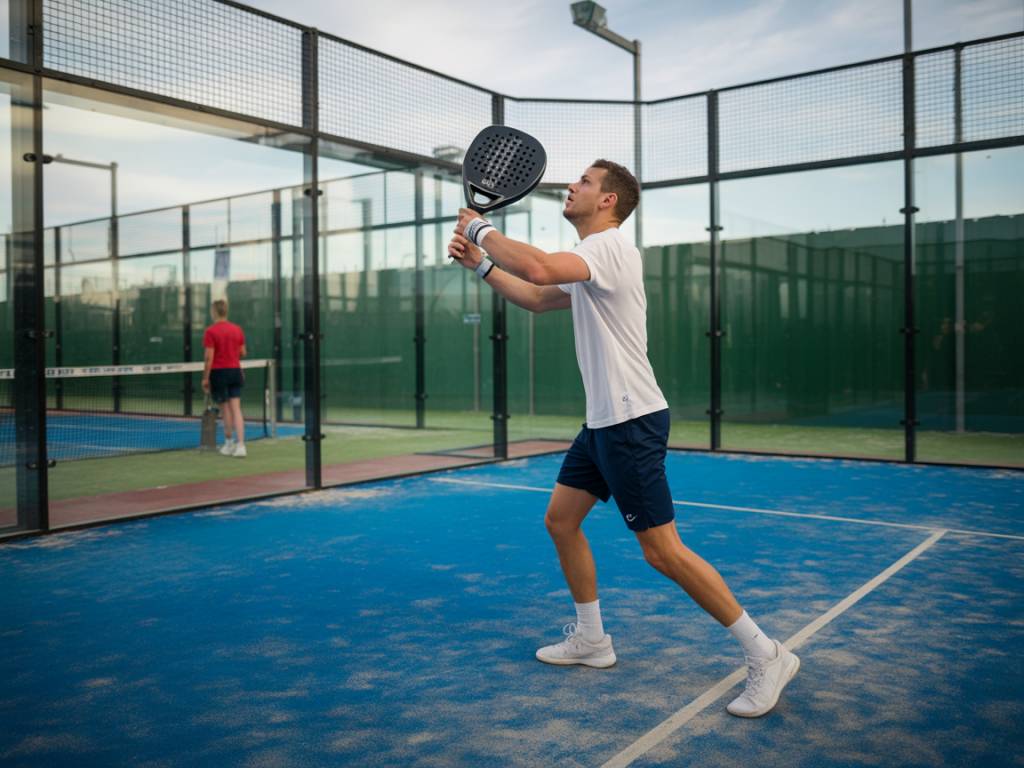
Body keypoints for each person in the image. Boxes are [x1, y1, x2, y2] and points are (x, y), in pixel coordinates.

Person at [448, 160, 798, 718]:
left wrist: (477, 228)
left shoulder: (609, 248)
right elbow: (540, 297)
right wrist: (483, 264)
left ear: (609, 201)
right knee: (561, 521)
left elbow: (538, 268)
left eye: (584, 182)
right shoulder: (590, 262)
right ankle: (592, 640)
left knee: (663, 552)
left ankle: (768, 653)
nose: (571, 187)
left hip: (631, 423)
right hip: (603, 423)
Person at [201, 299, 248, 458]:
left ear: (214, 312)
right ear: (226, 311)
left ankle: (229, 444)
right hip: (235, 371)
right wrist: (231, 356)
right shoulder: (237, 329)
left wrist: (205, 378)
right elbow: (243, 352)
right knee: (236, 409)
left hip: (219, 373)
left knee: (225, 409)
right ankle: (241, 446)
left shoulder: (210, 332)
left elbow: (209, 358)